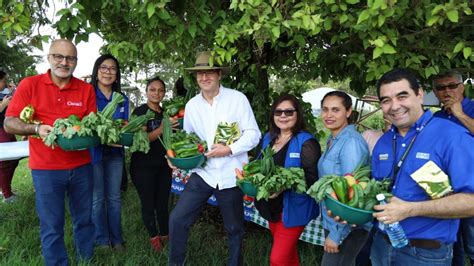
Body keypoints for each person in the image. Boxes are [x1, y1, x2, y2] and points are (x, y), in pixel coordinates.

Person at [4, 39, 96, 265]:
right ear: (49, 57)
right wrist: (35, 128)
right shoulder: (30, 85)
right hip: (46, 169)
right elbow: (9, 123)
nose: (64, 62)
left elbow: (93, 126)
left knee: (84, 220)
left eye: (70, 58)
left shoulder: (85, 89)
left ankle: (86, 259)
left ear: (76, 62)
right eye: (59, 56)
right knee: (51, 224)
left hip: (81, 167)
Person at [370, 68, 474, 266]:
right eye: (386, 100)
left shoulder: (452, 136)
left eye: (402, 96)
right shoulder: (384, 142)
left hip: (425, 254)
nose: (394, 106)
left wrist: (411, 210)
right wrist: (347, 212)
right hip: (380, 246)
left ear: (419, 94)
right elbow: (376, 193)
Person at [168, 51, 260, 266]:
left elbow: (253, 134)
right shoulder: (192, 106)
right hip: (204, 173)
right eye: (200, 73)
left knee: (234, 228)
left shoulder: (237, 99)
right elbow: (188, 140)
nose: (204, 77)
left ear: (219, 74)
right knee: (177, 220)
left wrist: (229, 149)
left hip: (231, 174)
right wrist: (174, 155)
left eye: (209, 72)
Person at [254, 94, 321, 266]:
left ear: (297, 114)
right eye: (278, 112)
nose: (283, 116)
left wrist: (284, 186)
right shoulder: (268, 138)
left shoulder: (307, 142)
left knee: (278, 259)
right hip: (271, 207)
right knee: (288, 254)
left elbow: (312, 179)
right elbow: (258, 164)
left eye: (289, 112)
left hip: (293, 209)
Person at [317, 90, 370, 266]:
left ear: (348, 112)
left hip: (346, 226)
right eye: (325, 109)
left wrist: (336, 234)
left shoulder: (351, 142)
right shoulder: (335, 139)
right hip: (335, 221)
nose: (329, 115)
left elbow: (352, 192)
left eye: (335, 110)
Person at [432, 71, 474, 266]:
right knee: (452, 241)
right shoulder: (437, 118)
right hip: (446, 189)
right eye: (441, 88)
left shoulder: (471, 108)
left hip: (471, 188)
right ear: (435, 92)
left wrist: (460, 114)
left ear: (462, 87)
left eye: (452, 86)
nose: (447, 91)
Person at [89, 54, 129, 250]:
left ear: (117, 74)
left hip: (115, 155)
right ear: (97, 72)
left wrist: (121, 134)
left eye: (112, 68)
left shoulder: (122, 99)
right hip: (94, 154)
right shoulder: (88, 95)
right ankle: (102, 240)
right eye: (104, 68)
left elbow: (125, 127)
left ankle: (117, 238)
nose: (108, 72)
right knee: (97, 199)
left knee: (114, 198)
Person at [130, 76, 173, 252]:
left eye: (160, 90)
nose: (157, 93)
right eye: (153, 89)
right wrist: (162, 129)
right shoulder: (140, 113)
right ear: (146, 91)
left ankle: (165, 235)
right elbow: (140, 141)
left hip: (163, 166)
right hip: (142, 167)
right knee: (148, 203)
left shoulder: (166, 113)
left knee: (163, 203)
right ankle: (154, 238)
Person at [0, 70, 19, 203]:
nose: (5, 83)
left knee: (15, 159)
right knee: (5, 162)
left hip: (7, 129)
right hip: (1, 131)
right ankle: (7, 194)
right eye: (3, 80)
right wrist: (3, 105)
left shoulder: (4, 92)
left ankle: (6, 189)